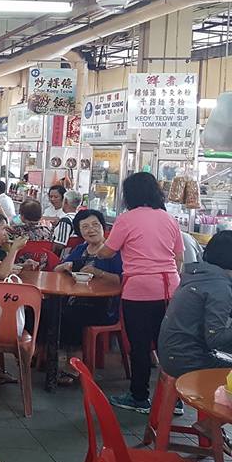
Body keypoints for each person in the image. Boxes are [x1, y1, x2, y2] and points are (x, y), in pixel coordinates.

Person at [95, 172, 184, 413]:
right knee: (168, 345)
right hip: (169, 288)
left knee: (140, 345)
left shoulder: (126, 219)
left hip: (139, 289)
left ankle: (139, 397)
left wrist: (96, 251)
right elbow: (178, 258)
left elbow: (108, 252)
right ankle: (174, 399)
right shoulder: (169, 218)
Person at [53, 210, 123, 384]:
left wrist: (98, 272)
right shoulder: (81, 249)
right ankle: (45, 357)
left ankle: (74, 366)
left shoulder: (113, 251)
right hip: (76, 297)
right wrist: (65, 266)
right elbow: (57, 270)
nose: (90, 230)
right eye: (85, 227)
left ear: (103, 227)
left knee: (71, 315)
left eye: (95, 225)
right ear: (79, 231)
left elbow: (121, 280)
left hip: (104, 305)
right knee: (49, 310)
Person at [159, 231, 232, 378]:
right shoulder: (219, 286)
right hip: (188, 361)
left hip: (172, 354)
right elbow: (215, 339)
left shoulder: (199, 274)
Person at [51, 189, 82, 254]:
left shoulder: (65, 221)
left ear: (66, 201)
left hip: (64, 257)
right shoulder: (80, 218)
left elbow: (59, 245)